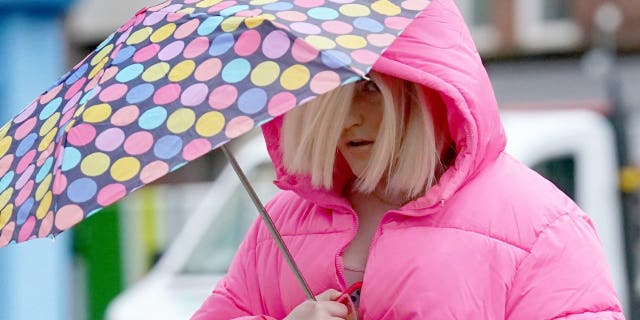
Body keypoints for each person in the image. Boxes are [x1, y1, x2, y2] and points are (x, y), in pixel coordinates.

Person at [192, 0, 624, 318]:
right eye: (328, 96)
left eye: (367, 90)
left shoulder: (540, 228)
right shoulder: (281, 226)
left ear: (426, 91)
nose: (345, 121)